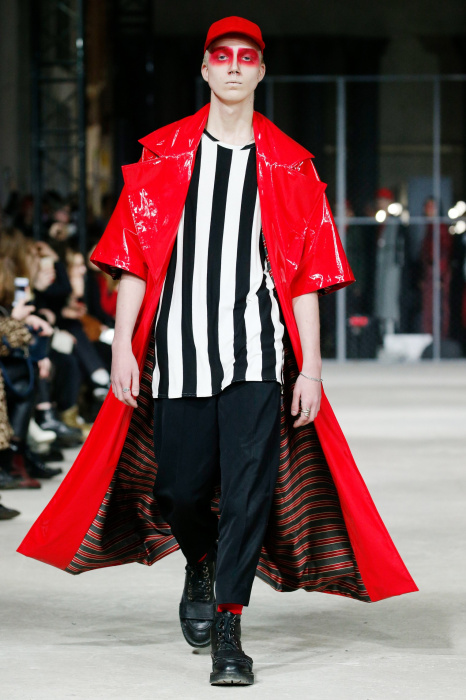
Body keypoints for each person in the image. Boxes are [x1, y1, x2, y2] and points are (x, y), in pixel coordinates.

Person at [18, 17, 417, 687]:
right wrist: (122, 349)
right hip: (178, 353)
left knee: (247, 493)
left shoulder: (290, 165)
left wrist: (311, 369)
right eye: (221, 55)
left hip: (256, 354)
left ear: (260, 71)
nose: (233, 65)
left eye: (246, 56)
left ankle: (230, 632)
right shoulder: (165, 155)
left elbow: (305, 280)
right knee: (178, 489)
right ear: (204, 69)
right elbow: (135, 262)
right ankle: (199, 562)